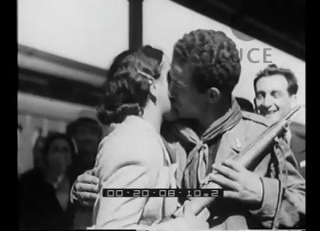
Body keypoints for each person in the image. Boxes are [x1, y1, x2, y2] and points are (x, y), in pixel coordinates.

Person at [72, 30, 305, 229]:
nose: (172, 89)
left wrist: (262, 193)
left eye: (180, 84)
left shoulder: (260, 134)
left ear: (211, 95)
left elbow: (302, 204)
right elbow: (120, 187)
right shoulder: (159, 132)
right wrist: (83, 187)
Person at [90, 45, 208, 230]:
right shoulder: (136, 143)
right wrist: (183, 226)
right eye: (171, 77)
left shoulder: (146, 139)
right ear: (153, 86)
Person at [253, 64, 305, 178]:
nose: (266, 103)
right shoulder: (243, 148)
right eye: (260, 96)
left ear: (293, 101)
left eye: (275, 95)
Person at [19, 133, 76, 230]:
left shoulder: (76, 182)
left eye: (65, 150)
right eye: (55, 150)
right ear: (46, 155)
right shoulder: (28, 183)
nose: (61, 154)